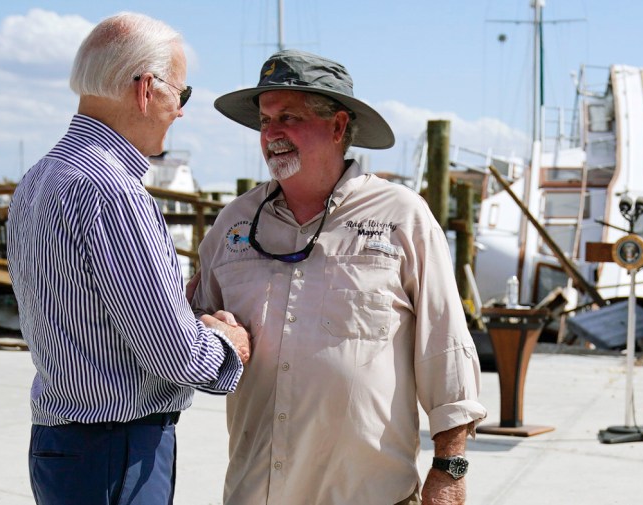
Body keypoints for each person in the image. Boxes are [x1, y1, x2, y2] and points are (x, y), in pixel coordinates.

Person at [191, 49, 487, 505]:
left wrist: (450, 470)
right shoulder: (235, 223)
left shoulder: (401, 216)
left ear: (338, 127)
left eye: (289, 117)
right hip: (256, 493)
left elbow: (444, 345)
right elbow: (181, 330)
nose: (272, 134)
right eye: (266, 121)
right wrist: (207, 331)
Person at [7, 12, 250, 505]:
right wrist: (227, 343)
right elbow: (178, 356)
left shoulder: (37, 178)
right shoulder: (113, 191)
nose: (180, 111)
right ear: (145, 89)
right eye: (180, 95)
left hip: (59, 443)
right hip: (117, 449)